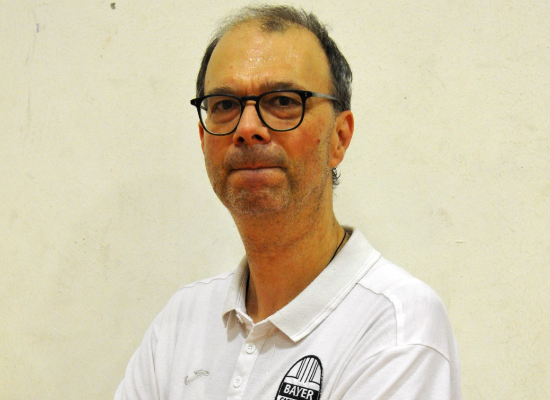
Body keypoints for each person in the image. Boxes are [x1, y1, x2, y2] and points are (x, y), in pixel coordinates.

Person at [115, 5, 461, 399]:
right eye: (225, 105)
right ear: (203, 139)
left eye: (282, 101)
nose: (247, 128)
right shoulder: (181, 321)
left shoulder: (398, 326)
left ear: (340, 137)